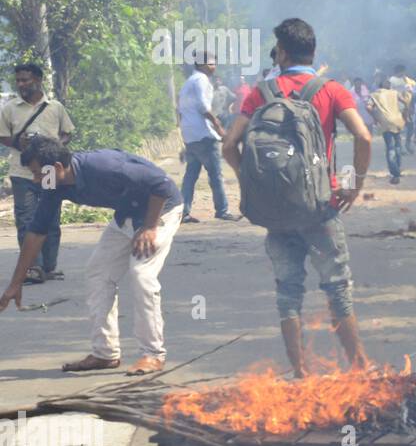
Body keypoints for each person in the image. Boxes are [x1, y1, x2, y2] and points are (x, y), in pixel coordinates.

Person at [223, 18, 371, 377]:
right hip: (321, 207)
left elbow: (229, 145)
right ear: (313, 52)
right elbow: (363, 137)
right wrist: (355, 185)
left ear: (283, 53)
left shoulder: (261, 93)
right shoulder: (331, 90)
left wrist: (252, 185)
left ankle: (301, 373)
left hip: (276, 212)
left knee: (288, 293)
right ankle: (360, 367)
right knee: (337, 288)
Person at [0, 136, 183, 375]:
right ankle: (105, 353)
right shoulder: (54, 185)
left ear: (56, 168)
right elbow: (36, 232)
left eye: (37, 173)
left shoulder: (105, 165)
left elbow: (162, 184)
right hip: (126, 215)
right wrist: (15, 284)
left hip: (159, 212)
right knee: (98, 273)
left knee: (141, 275)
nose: (35, 179)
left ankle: (153, 354)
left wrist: (149, 227)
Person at [0, 61, 74, 283]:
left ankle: (49, 267)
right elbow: (2, 136)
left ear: (39, 80)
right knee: (26, 220)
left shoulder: (55, 107)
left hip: (50, 172)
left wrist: (55, 146)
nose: (22, 84)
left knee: (51, 219)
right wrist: (17, 141)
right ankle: (33, 267)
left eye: (26, 80)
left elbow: (67, 133)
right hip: (21, 172)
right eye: (19, 80)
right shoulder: (9, 108)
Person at [178, 51, 238, 224]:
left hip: (191, 134)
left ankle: (183, 212)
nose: (214, 67)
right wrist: (218, 127)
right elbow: (204, 108)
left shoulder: (189, 82)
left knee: (191, 175)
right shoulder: (202, 81)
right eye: (212, 64)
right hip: (203, 134)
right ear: (202, 65)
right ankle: (222, 209)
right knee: (216, 174)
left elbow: (181, 109)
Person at [367, 79, 411, 184]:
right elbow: (405, 101)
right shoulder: (394, 93)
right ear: (389, 86)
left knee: (390, 147)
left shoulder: (374, 95)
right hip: (397, 120)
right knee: (398, 146)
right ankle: (398, 168)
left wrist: (375, 116)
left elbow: (368, 107)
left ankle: (394, 172)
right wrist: (406, 111)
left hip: (385, 122)